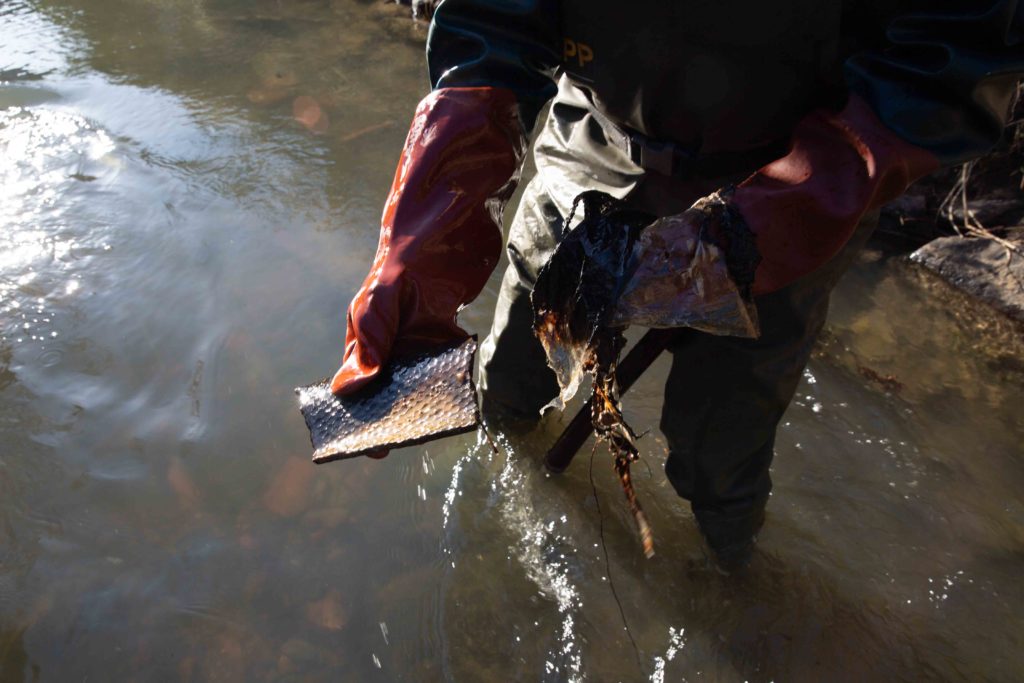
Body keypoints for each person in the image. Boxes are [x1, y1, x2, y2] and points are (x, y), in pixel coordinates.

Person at [329, 1, 1024, 569]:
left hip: (797, 172)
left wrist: (766, 225)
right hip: (599, 133)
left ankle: (729, 572)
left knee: (722, 447)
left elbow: (944, 64)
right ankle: (498, 486)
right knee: (510, 366)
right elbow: (492, 30)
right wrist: (424, 234)